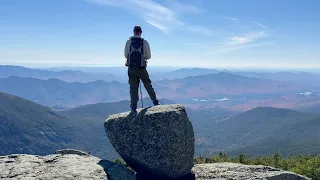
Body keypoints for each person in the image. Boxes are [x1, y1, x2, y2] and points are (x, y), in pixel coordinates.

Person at [124, 25, 160, 113]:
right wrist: (143, 58)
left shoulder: (129, 42)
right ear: (141, 32)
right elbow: (149, 56)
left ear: (133, 32)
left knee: (133, 87)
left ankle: (133, 107)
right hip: (141, 68)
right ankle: (155, 101)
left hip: (131, 68)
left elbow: (126, 55)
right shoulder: (144, 42)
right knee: (147, 84)